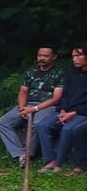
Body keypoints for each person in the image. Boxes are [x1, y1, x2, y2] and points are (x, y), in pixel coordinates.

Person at [0, 47, 64, 167]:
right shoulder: (31, 71)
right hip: (28, 104)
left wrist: (35, 109)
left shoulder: (59, 73)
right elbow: (23, 92)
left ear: (54, 57)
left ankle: (29, 155)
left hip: (48, 106)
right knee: (3, 122)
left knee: (37, 124)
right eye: (40, 55)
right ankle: (19, 154)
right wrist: (22, 108)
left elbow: (56, 98)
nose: (41, 58)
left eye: (46, 56)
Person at [37, 44, 87, 174]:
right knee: (43, 125)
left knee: (67, 129)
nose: (74, 59)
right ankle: (50, 160)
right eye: (73, 56)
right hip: (66, 111)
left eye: (78, 56)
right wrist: (63, 110)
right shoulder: (72, 73)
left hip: (82, 113)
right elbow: (65, 95)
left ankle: (59, 163)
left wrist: (73, 113)